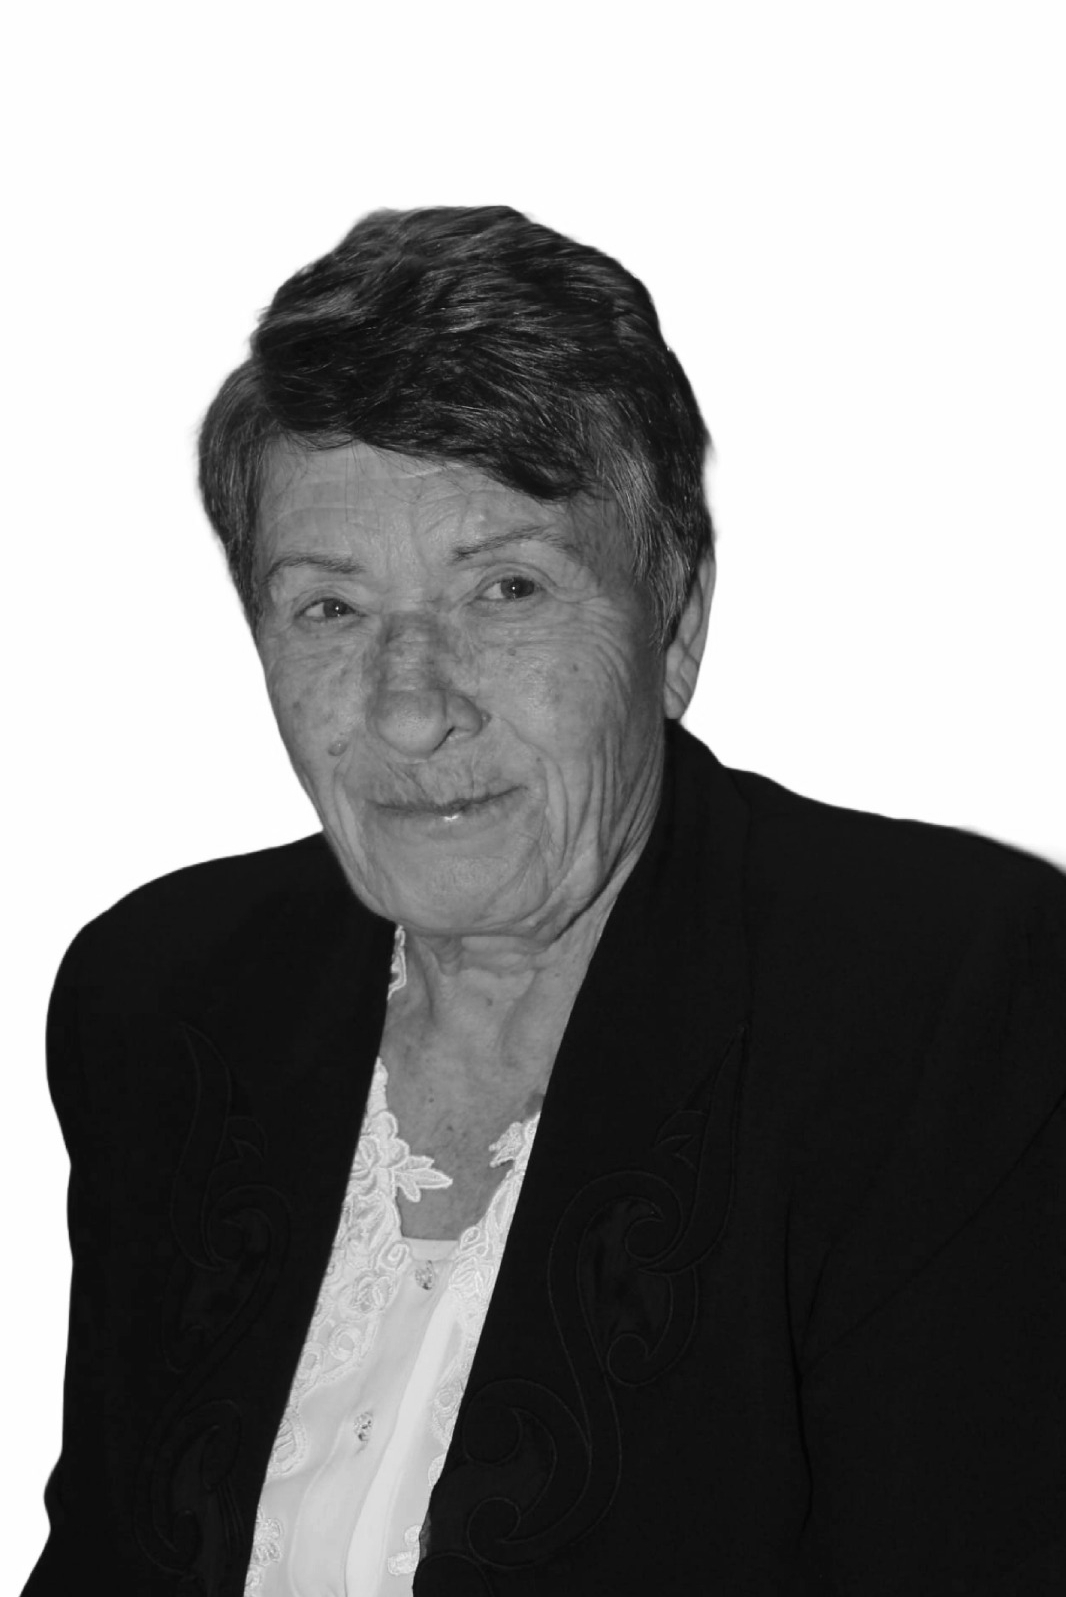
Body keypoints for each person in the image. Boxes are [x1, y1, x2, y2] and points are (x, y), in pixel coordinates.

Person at [21, 206, 1066, 1597]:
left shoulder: (949, 1002)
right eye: (330, 608)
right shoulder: (160, 998)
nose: (411, 707)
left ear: (672, 621)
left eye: (504, 589)